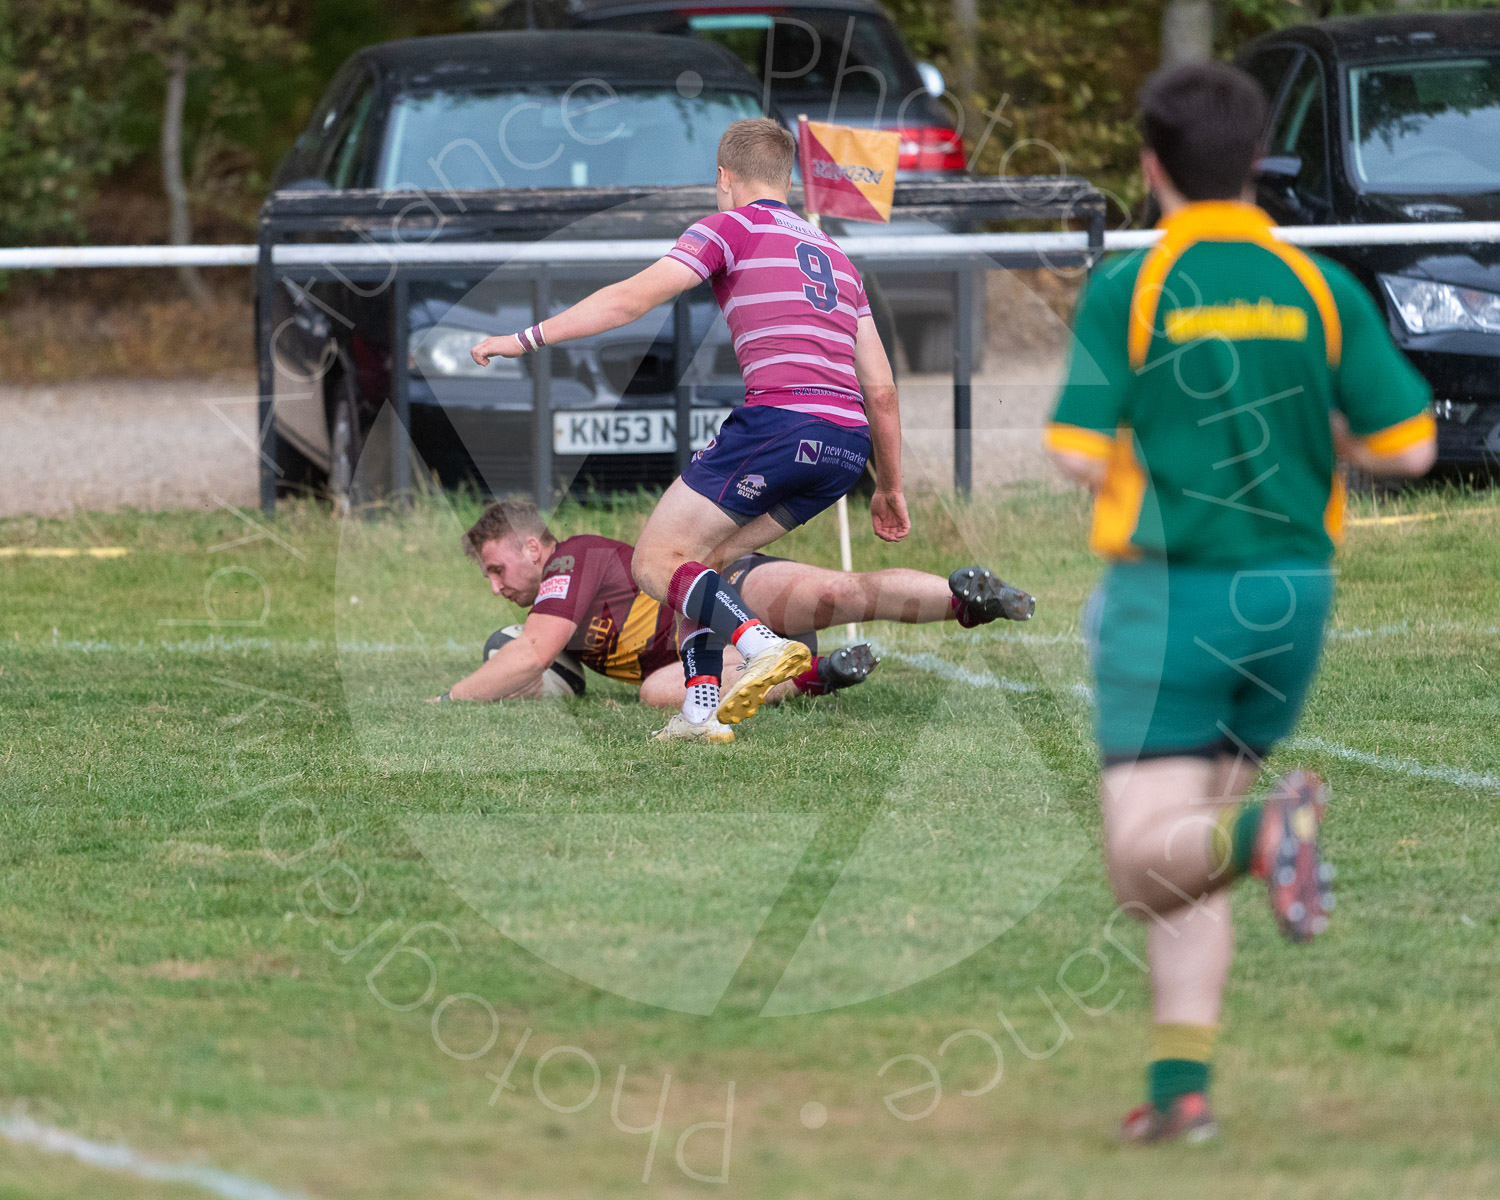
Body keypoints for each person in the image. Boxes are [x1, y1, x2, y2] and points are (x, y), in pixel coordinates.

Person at [1045, 62, 1435, 1144]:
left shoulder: (1134, 286)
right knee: (1195, 844)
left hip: (1174, 599)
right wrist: (1319, 433)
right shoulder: (1319, 287)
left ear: (1151, 166)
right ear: (1258, 160)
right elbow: (1410, 447)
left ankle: (1274, 830)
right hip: (1293, 600)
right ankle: (1183, 1093)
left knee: (1142, 864)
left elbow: (1073, 451)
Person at [472, 117, 909, 742]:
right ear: (786, 181)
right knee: (702, 563)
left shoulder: (731, 227)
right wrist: (890, 486)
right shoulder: (839, 259)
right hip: (844, 447)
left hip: (781, 423)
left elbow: (629, 301)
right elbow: (882, 391)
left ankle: (760, 646)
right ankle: (701, 710)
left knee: (654, 562)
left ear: (724, 177)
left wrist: (525, 339)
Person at [432, 500, 1033, 730]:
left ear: (532, 548)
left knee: (840, 592)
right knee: (658, 692)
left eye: (497, 569)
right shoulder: (552, 612)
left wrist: (452, 700)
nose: (496, 586)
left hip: (730, 594)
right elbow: (539, 668)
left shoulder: (570, 560)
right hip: (710, 658)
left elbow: (531, 653)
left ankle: (966, 599)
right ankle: (815, 674)